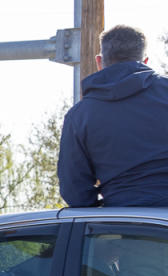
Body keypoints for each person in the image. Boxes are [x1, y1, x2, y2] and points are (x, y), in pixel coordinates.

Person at [58, 25, 168, 208]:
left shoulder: (79, 116)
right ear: (145, 61)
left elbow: (75, 193)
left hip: (123, 226)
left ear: (99, 62)